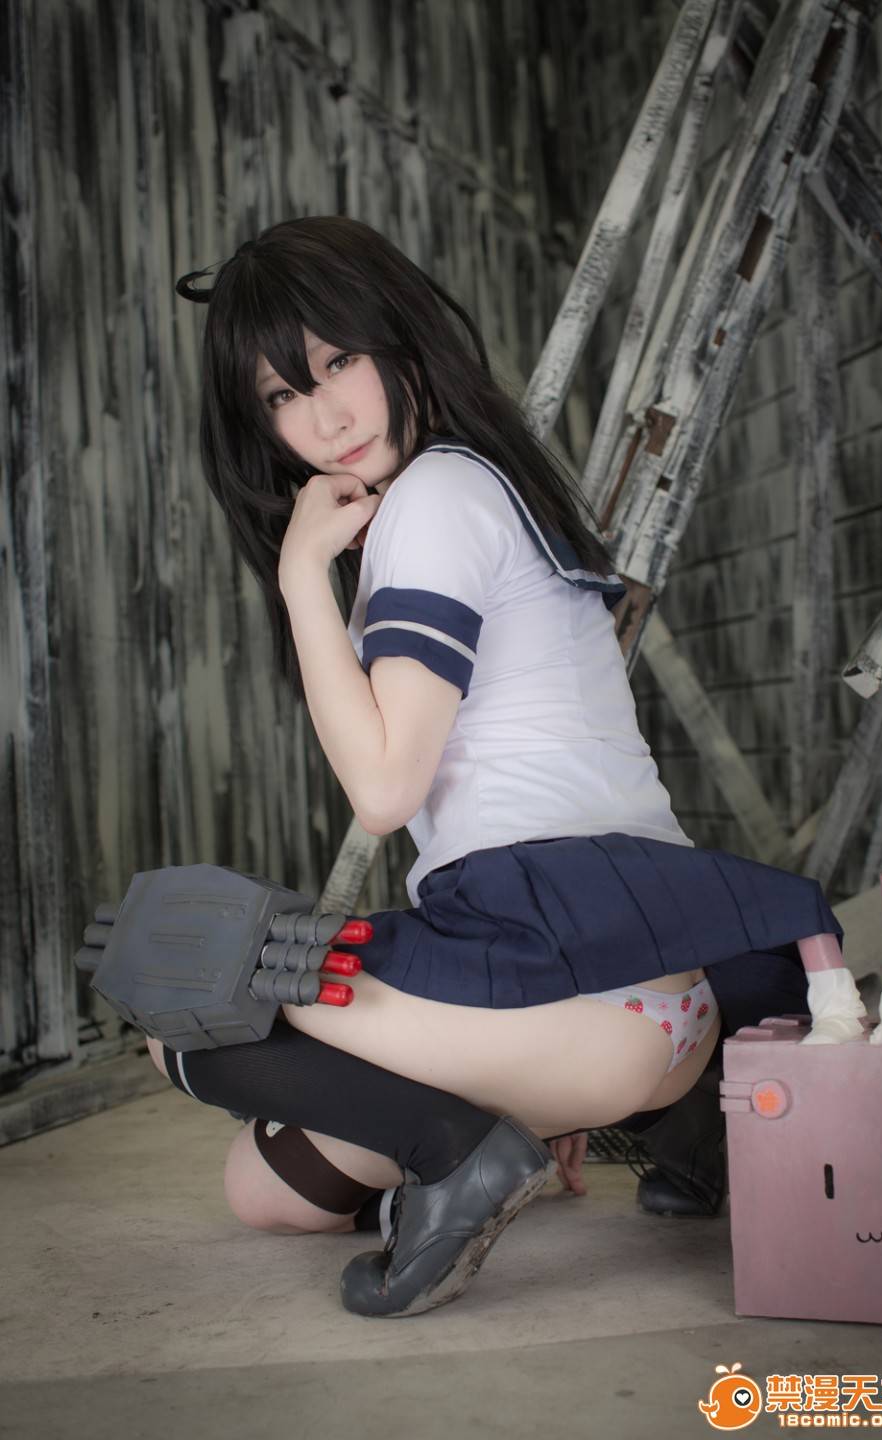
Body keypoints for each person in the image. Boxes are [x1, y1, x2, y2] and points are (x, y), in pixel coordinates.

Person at [157, 214, 845, 1316]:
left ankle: (463, 1150)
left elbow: (385, 791)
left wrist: (298, 581)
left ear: (399, 337)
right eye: (282, 394)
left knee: (174, 992)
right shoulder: (483, 485)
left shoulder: (433, 500)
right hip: (659, 997)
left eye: (338, 362)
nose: (325, 417)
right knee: (266, 1189)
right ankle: (531, 1123)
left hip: (565, 967)